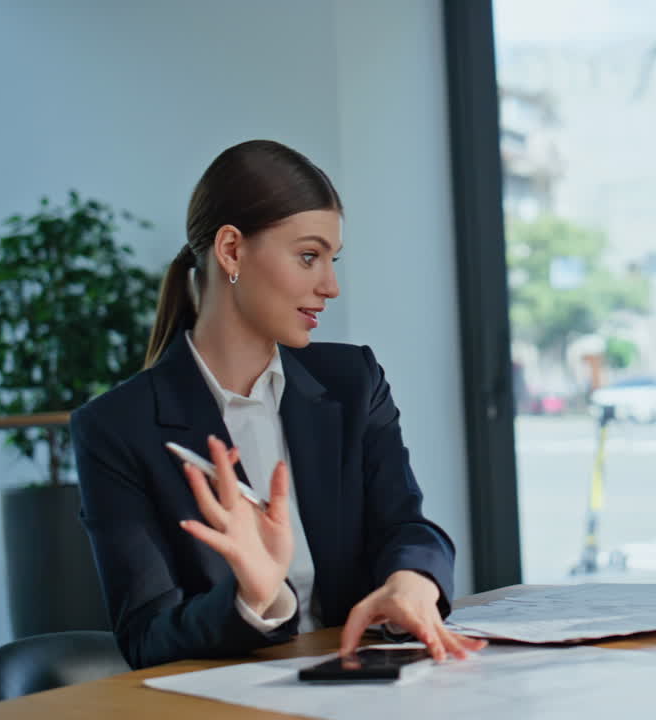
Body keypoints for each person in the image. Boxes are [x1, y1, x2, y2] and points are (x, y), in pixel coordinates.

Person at [72, 140, 486, 668]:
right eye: (309, 257)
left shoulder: (353, 382)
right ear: (231, 251)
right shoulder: (116, 427)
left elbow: (406, 525)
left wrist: (412, 581)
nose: (331, 286)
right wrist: (257, 599)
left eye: (332, 260)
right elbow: (146, 638)